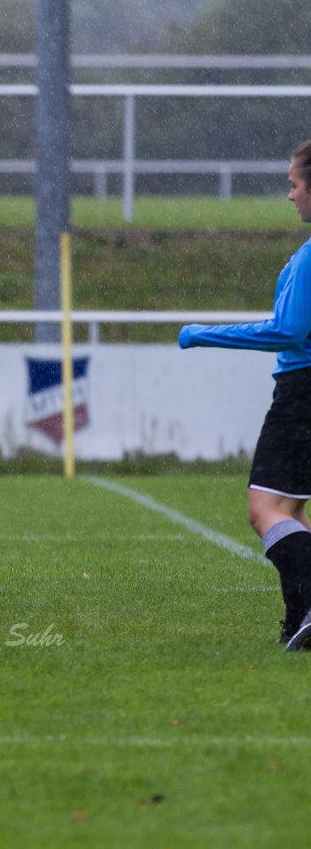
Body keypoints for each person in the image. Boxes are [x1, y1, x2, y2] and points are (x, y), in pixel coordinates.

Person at [179, 139, 311, 650]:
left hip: (302, 390)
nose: (289, 195)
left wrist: (202, 333)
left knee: (265, 511)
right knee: (291, 510)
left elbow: (288, 331)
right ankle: (299, 619)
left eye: (294, 184)